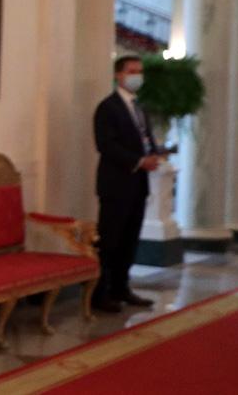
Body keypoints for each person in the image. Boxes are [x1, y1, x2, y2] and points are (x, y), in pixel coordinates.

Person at [92, 55, 165, 313]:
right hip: (116, 185)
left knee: (130, 240)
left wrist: (154, 153)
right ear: (119, 75)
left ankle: (122, 287)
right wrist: (138, 161)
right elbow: (106, 145)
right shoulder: (108, 107)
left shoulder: (139, 107)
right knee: (110, 241)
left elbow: (144, 138)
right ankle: (101, 294)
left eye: (140, 71)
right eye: (132, 71)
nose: (138, 76)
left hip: (137, 185)